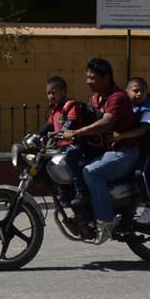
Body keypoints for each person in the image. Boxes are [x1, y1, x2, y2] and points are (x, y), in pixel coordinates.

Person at [63, 57, 140, 245]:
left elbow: (105, 123)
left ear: (106, 78)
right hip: (107, 152)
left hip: (124, 152)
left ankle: (106, 220)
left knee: (91, 172)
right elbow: (87, 119)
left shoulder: (118, 97)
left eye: (93, 78)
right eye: (87, 77)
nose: (88, 81)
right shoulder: (96, 98)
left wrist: (78, 132)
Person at [37, 75, 90, 212]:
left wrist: (59, 134)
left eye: (54, 92)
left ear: (64, 91)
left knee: (71, 156)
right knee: (52, 163)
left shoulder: (70, 105)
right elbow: (48, 127)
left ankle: (81, 190)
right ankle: (64, 191)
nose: (50, 96)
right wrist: (37, 136)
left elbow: (70, 122)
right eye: (48, 93)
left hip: (75, 144)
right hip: (62, 146)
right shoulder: (55, 110)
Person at [113, 76, 150, 223]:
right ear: (127, 91)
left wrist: (121, 136)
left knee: (141, 174)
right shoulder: (125, 106)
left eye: (142, 91)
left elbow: (142, 130)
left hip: (148, 150)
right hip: (130, 149)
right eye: (135, 91)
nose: (139, 94)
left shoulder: (148, 109)